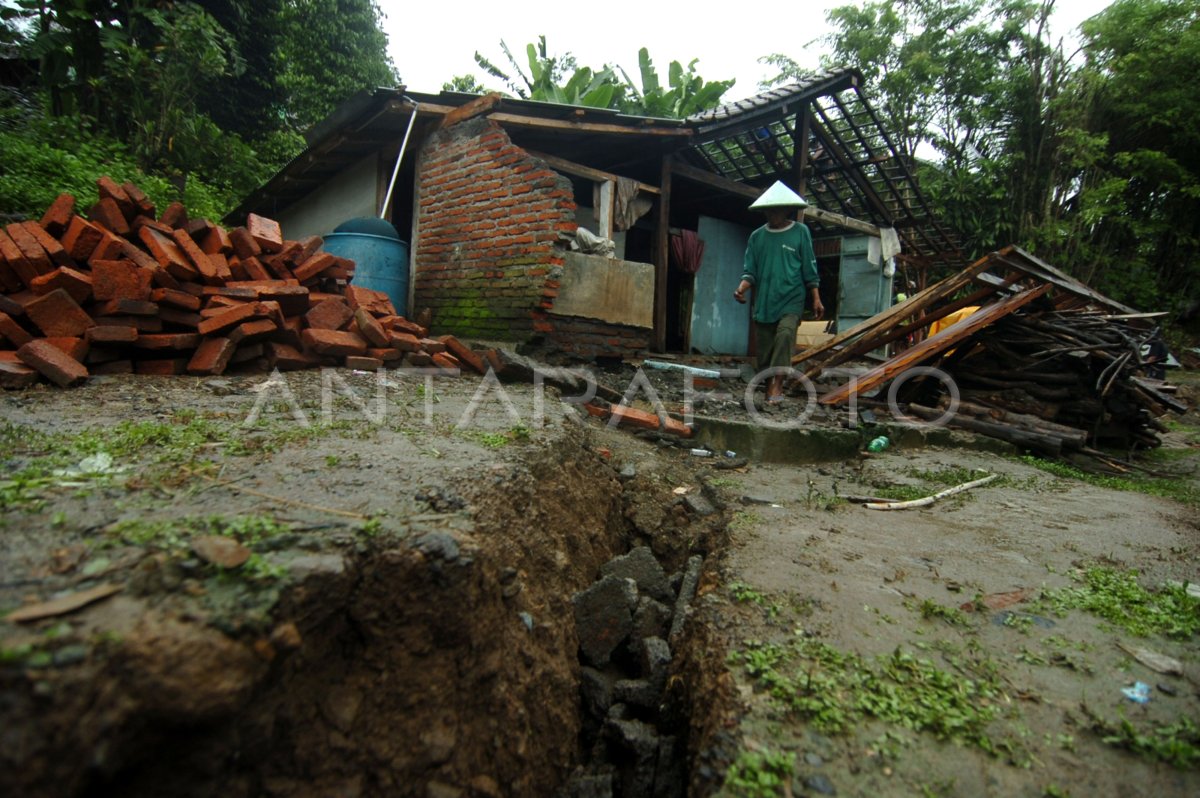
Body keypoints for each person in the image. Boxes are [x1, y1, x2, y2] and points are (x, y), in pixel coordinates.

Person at [733, 181, 824, 404]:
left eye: (776, 209)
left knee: (784, 336)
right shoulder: (757, 237)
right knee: (764, 348)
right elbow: (750, 271)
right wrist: (741, 289)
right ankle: (768, 382)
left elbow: (809, 269)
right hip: (765, 300)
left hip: (792, 298)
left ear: (786, 210)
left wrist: (816, 298)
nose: (772, 214)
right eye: (768, 210)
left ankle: (777, 385)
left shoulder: (800, 232)